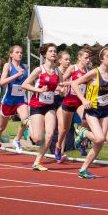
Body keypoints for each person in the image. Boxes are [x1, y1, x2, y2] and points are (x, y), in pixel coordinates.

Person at [70, 44, 108, 179]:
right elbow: (74, 84)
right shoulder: (94, 73)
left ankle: (83, 169)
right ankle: (82, 131)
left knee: (101, 141)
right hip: (92, 110)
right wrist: (83, 100)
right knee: (99, 137)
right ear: (101, 58)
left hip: (105, 111)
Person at [22, 43, 66, 171]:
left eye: (55, 51)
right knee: (37, 138)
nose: (53, 53)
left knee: (50, 134)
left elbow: (61, 86)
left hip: (49, 106)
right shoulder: (39, 70)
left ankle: (37, 162)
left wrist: (62, 90)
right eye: (51, 51)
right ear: (45, 54)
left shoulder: (58, 71)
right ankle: (28, 122)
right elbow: (25, 85)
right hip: (37, 105)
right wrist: (38, 90)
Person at [0, 45, 29, 163]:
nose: (20, 54)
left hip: (20, 99)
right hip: (8, 101)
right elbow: (2, 82)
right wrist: (16, 75)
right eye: (17, 52)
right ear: (11, 54)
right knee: (0, 127)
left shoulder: (25, 67)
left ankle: (17, 139)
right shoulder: (8, 66)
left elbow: (27, 82)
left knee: (26, 119)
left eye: (21, 52)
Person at [58, 47, 92, 156]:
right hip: (69, 101)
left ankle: (81, 143)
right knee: (65, 129)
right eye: (86, 58)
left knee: (86, 121)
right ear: (79, 57)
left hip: (80, 102)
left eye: (89, 58)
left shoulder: (88, 72)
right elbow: (61, 80)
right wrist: (70, 84)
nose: (88, 60)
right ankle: (58, 147)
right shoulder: (73, 68)